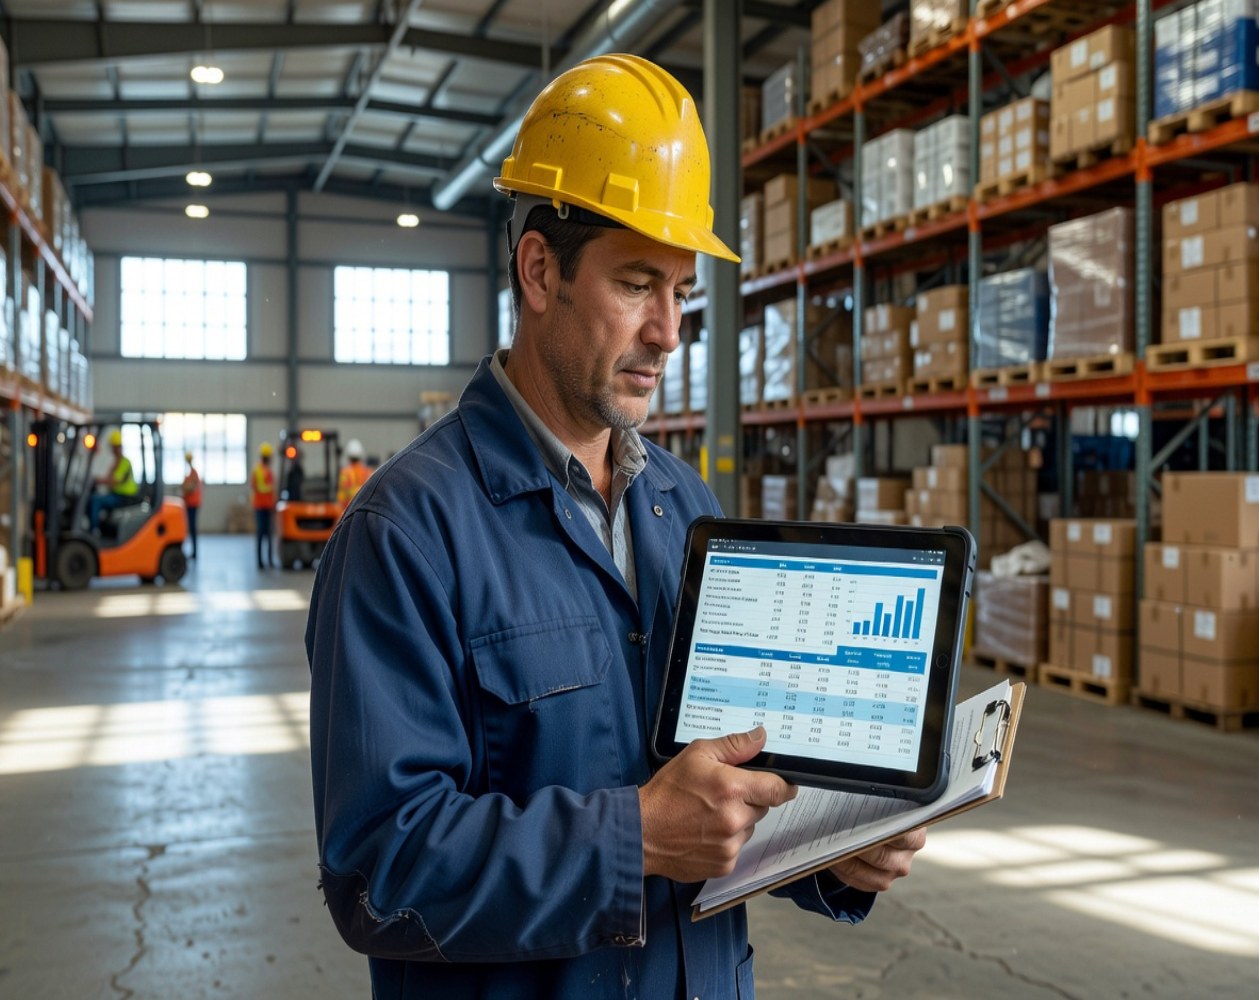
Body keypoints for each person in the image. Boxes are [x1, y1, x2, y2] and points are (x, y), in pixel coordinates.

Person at [306, 54, 925, 1000]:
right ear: (540, 269)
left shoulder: (687, 507)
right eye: (639, 283)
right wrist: (631, 838)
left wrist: (830, 855)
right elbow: (377, 872)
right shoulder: (406, 532)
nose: (669, 331)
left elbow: (732, 795)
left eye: (681, 292)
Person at [89, 428, 139, 532]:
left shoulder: (125, 463)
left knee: (95, 500)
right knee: (98, 497)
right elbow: (110, 478)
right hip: (117, 494)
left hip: (124, 497)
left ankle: (94, 530)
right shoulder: (116, 462)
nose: (113, 450)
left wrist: (99, 481)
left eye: (115, 447)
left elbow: (115, 481)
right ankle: (103, 527)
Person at [251, 442, 276, 569]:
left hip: (264, 506)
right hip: (262, 507)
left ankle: (266, 560)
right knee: (263, 534)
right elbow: (264, 488)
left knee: (266, 534)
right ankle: (263, 561)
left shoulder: (260, 470)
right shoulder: (262, 471)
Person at [335, 438, 374, 506]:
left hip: (348, 509)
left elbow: (342, 494)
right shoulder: (368, 471)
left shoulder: (345, 473)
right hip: (364, 508)